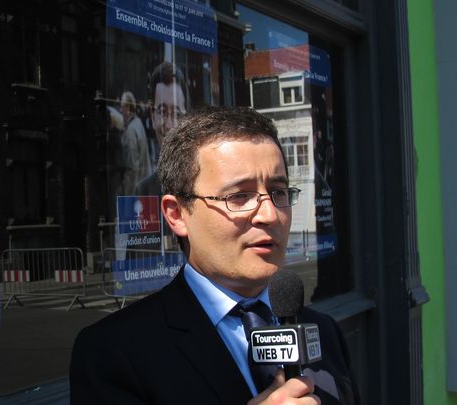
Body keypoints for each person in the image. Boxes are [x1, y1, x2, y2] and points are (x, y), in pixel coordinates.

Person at [70, 107, 358, 404]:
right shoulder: (114, 352)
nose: (270, 215)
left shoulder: (323, 331)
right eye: (238, 196)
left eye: (278, 192)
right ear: (177, 214)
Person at [135, 61, 188, 196]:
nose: (169, 125)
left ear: (187, 119)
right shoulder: (143, 191)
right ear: (153, 117)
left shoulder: (204, 183)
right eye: (162, 112)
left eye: (176, 114)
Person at [118, 91, 151, 195]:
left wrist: (127, 194)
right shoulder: (138, 123)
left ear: (128, 108)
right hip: (143, 184)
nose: (120, 110)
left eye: (122, 107)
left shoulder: (131, 130)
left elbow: (131, 168)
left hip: (135, 188)